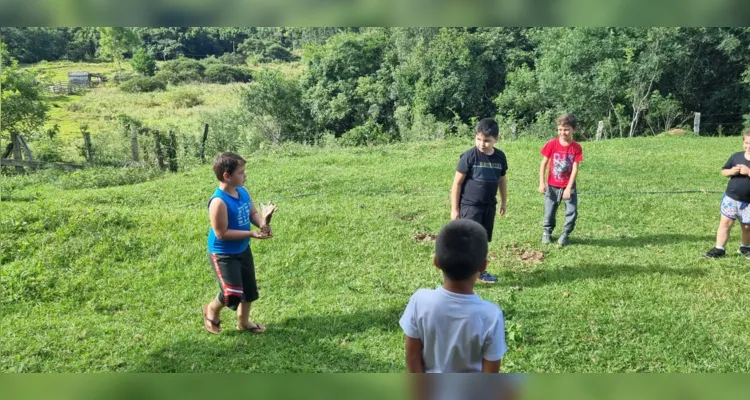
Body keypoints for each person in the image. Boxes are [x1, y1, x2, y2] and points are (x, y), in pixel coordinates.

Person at [399, 219, 508, 374]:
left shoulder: (420, 301)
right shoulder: (491, 315)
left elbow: (412, 356)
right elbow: (491, 371)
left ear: (436, 262)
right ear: (483, 266)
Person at [201, 152, 272, 334]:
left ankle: (243, 321)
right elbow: (222, 233)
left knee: (249, 288)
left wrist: (263, 224)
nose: (245, 175)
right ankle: (211, 309)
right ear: (227, 176)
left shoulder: (243, 191)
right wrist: (251, 233)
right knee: (231, 293)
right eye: (241, 172)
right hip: (223, 253)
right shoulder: (218, 202)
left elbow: (252, 213)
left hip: (242, 248)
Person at [451, 117, 508, 283]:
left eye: (487, 141)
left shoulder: (500, 157)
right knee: (468, 240)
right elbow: (457, 183)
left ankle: (480, 271)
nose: (482, 144)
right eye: (479, 139)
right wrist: (455, 209)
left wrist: (504, 201)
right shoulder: (469, 156)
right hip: (470, 206)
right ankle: (460, 272)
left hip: (489, 206)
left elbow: (502, 180)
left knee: (482, 240)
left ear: (496, 139)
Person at [703, 130, 750, 259]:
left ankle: (745, 248)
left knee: (747, 226)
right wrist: (731, 172)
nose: (749, 146)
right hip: (731, 199)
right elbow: (724, 171)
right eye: (747, 143)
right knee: (725, 223)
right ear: (743, 143)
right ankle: (719, 249)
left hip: (748, 203)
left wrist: (748, 171)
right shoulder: (736, 156)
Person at [538, 113, 583, 246]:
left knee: (572, 212)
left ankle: (565, 234)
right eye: (560, 129)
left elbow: (575, 168)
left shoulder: (576, 147)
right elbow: (544, 163)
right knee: (549, 212)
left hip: (569, 186)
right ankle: (547, 232)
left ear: (573, 129)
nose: (563, 132)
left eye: (566, 129)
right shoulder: (552, 144)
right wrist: (542, 182)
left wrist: (569, 188)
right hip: (552, 185)